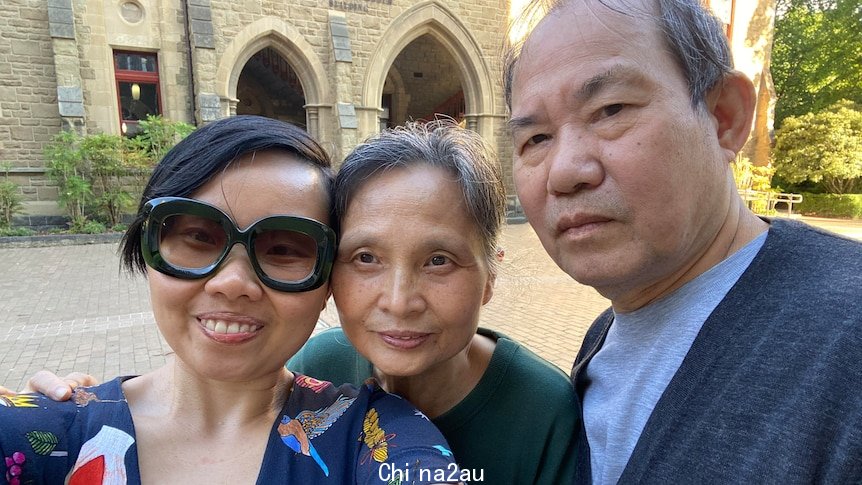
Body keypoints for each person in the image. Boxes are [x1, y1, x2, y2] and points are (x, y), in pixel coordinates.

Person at [10, 120, 578, 484]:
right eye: (198, 236)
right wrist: (62, 413)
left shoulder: (377, 429)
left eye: (282, 247)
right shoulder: (323, 364)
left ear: (489, 278)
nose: (400, 301)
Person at [503, 0, 862, 483]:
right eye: (537, 139)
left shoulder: (847, 340)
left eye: (610, 110)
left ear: (723, 118)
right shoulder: (603, 341)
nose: (565, 171)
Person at [289, 120, 578, 484]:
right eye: (365, 257)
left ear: (489, 276)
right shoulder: (315, 372)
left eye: (438, 260)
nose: (399, 302)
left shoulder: (543, 411)